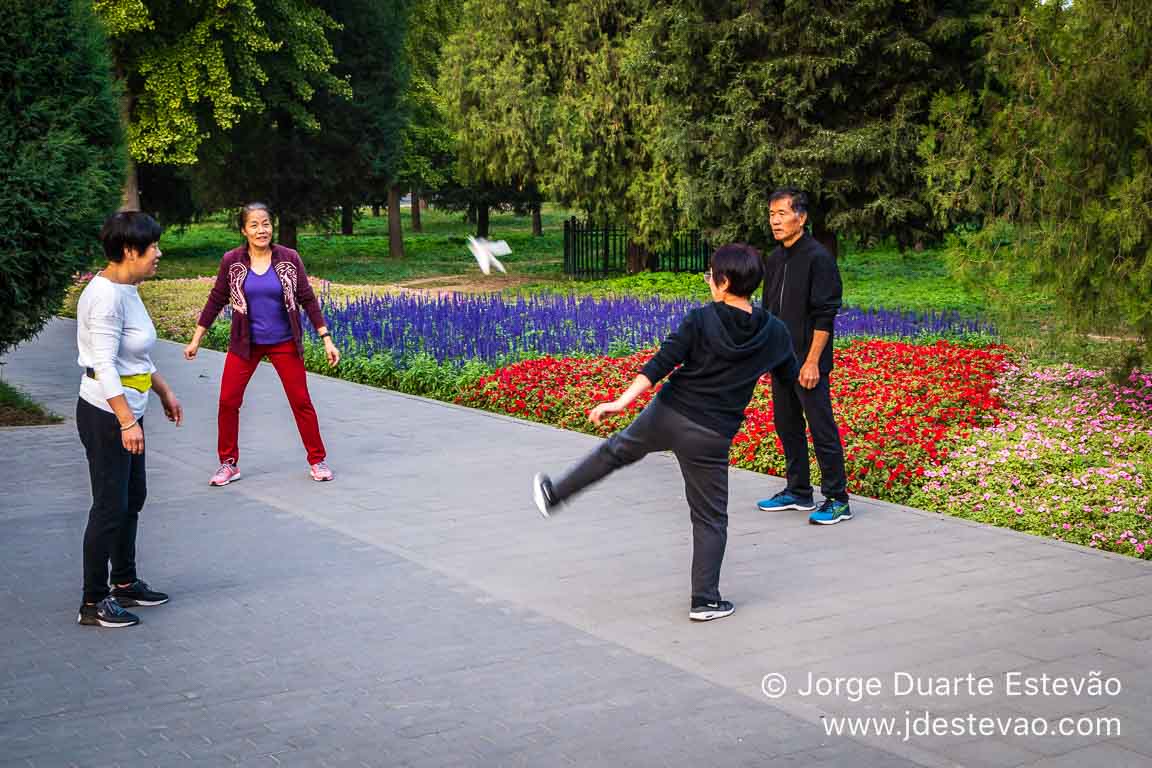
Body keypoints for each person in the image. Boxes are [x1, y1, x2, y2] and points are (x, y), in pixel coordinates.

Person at [532, 245, 798, 622]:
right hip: (712, 434)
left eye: (710, 275)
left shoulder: (701, 319)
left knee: (614, 453)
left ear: (723, 282)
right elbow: (789, 378)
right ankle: (705, 600)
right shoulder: (775, 333)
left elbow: (661, 363)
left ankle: (555, 495)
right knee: (710, 518)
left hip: (668, 414)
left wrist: (620, 403)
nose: (709, 282)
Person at [76, 211, 183, 628]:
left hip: (128, 408)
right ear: (128, 250)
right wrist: (125, 421)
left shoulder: (128, 288)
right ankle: (92, 601)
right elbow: (104, 365)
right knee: (109, 505)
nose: (159, 253)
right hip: (106, 413)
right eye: (152, 246)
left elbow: (134, 354)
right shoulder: (104, 297)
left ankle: (124, 582)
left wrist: (164, 391)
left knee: (131, 498)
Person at [184, 202, 341, 485]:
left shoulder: (289, 258)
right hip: (245, 344)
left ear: (272, 226)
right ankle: (228, 463)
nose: (261, 230)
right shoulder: (232, 261)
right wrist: (197, 338)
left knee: (301, 401)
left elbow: (307, 299)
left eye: (266, 223)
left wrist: (326, 339)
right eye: (254, 225)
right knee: (228, 401)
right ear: (244, 230)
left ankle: (317, 460)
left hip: (284, 342)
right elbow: (216, 299)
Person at [755, 188, 852, 525]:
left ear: (802, 217)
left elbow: (825, 315)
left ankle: (838, 498)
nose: (775, 221)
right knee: (787, 426)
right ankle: (798, 491)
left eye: (782, 214)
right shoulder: (776, 258)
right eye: (771, 215)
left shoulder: (818, 258)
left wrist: (811, 362)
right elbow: (769, 311)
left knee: (821, 427)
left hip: (807, 362)